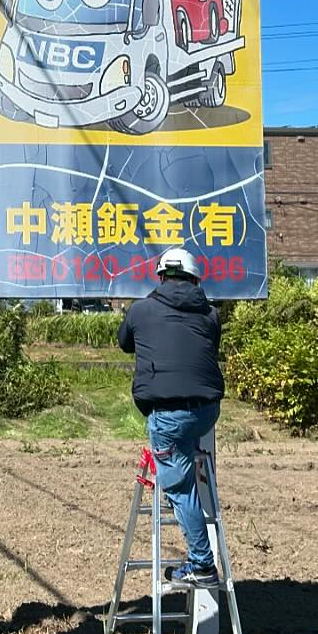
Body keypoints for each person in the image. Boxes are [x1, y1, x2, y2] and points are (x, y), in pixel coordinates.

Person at [117, 247, 223, 588]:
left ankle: (202, 565)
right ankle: (176, 482)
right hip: (206, 413)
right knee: (181, 459)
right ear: (195, 280)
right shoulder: (210, 314)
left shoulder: (141, 310)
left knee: (180, 487)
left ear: (160, 277)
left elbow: (125, 343)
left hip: (168, 416)